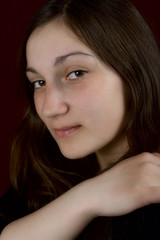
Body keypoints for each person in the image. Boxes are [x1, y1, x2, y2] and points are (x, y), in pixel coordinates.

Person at [1, 0, 160, 239]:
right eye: (39, 82)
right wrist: (88, 197)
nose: (49, 108)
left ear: (133, 73)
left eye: (76, 73)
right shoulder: (46, 170)